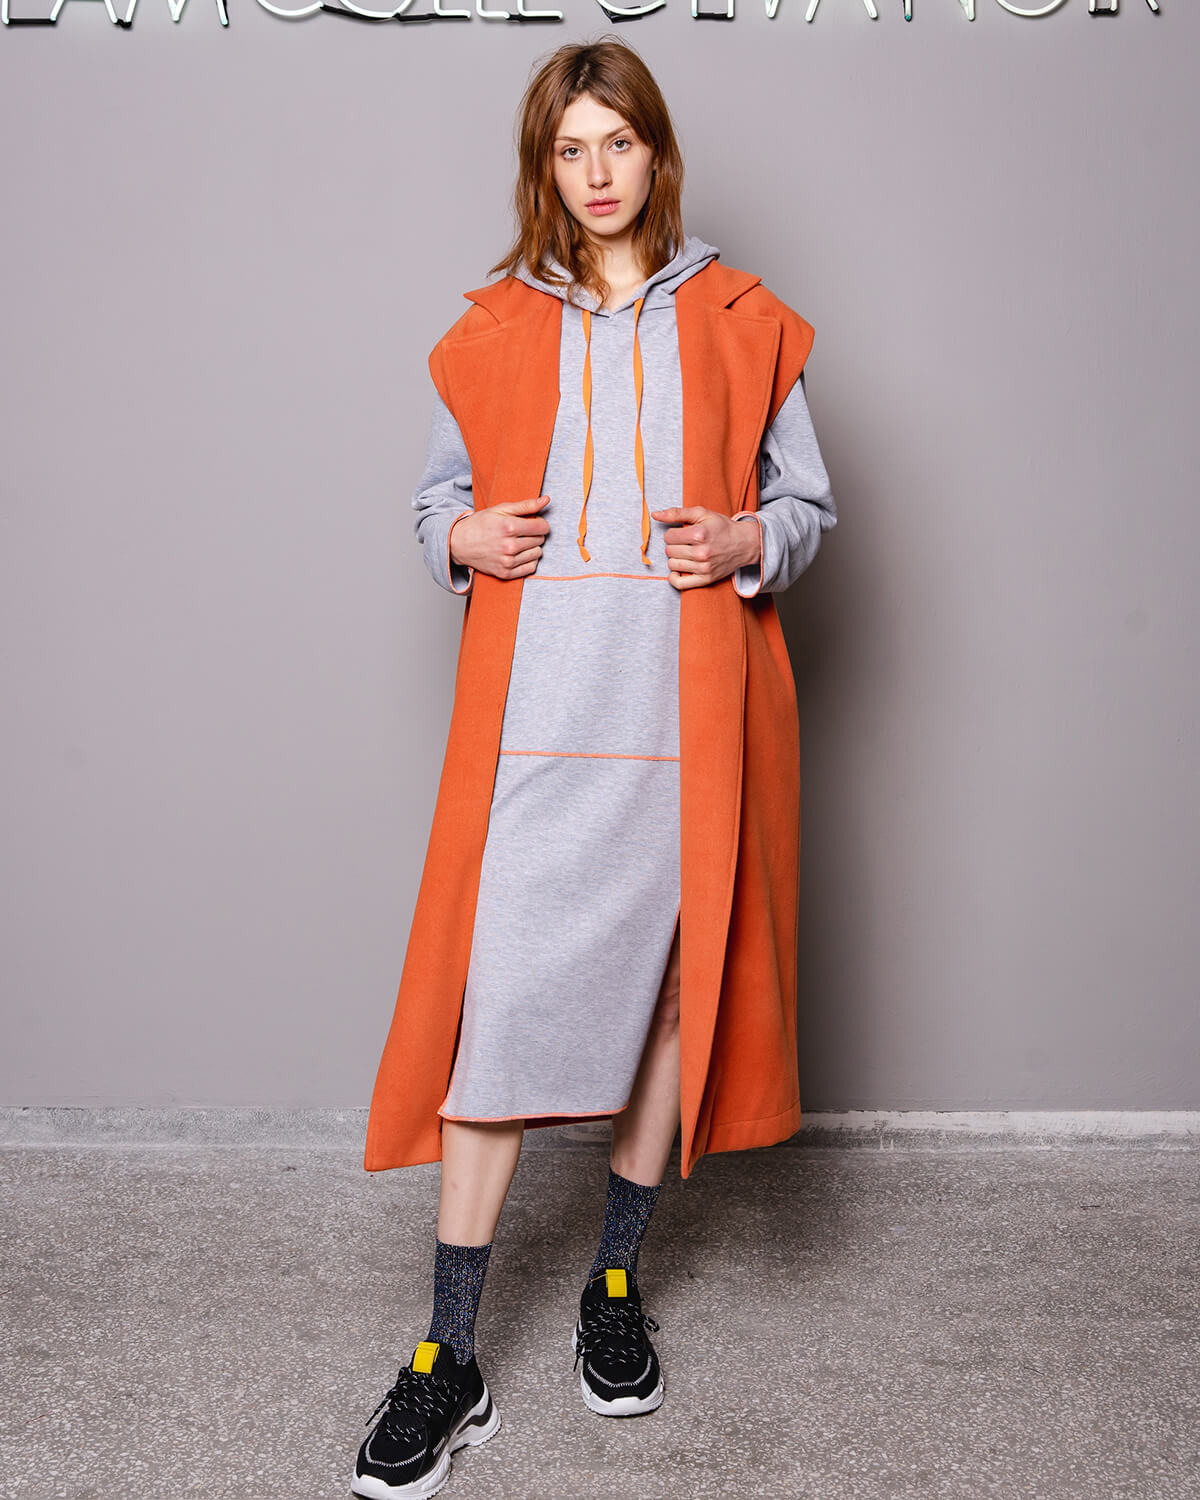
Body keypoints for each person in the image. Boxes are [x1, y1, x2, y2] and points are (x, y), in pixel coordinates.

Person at [351, 35, 837, 1500]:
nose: (597, 173)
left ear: (656, 151)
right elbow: (434, 503)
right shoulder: (494, 328)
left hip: (687, 718)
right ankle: (448, 1355)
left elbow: (808, 507)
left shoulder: (746, 319)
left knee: (673, 1003)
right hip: (539, 722)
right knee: (495, 1017)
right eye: (570, 150)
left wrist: (747, 539)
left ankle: (612, 1285)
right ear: (544, 169)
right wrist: (460, 537)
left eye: (617, 142)